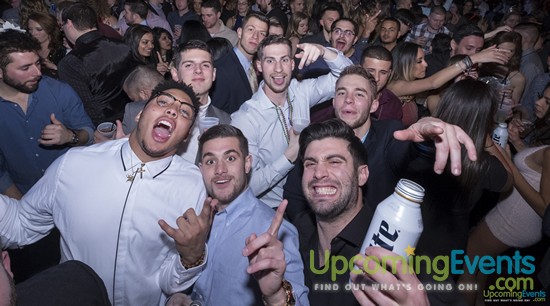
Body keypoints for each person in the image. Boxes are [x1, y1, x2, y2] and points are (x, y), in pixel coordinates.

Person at [0, 80, 212, 306]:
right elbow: (20, 223)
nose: (172, 110)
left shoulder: (193, 186)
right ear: (140, 115)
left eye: (185, 112)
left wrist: (190, 258)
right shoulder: (75, 164)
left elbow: (170, 284)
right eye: (163, 102)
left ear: (187, 136)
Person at [166, 124, 309, 305]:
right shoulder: (194, 220)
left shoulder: (275, 232)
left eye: (230, 158)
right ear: (201, 169)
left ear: (247, 163)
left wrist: (276, 295)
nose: (220, 170)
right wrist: (179, 296)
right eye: (211, 161)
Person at [294, 118, 429, 306]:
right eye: (310, 164)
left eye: (334, 162)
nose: (318, 173)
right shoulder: (296, 232)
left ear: (362, 175)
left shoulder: (393, 249)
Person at [0, 29, 94, 282]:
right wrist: (24, 208)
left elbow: (89, 132)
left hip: (73, 201)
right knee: (39, 278)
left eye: (38, 63)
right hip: (23, 206)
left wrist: (70, 137)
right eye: (25, 68)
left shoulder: (59, 91)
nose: (37, 72)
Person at [231, 35, 353, 208]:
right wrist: (288, 157)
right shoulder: (246, 118)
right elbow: (246, 186)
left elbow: (349, 77)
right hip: (273, 209)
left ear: (292, 64)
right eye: (270, 61)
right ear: (259, 65)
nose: (279, 69)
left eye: (284, 60)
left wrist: (324, 51)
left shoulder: (301, 91)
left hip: (310, 199)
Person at [387, 41, 510, 127]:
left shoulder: (412, 87)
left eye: (424, 59)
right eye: (419, 61)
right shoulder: (394, 86)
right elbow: (433, 83)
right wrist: (474, 58)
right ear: (405, 64)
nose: (426, 64)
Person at [57, 3, 137, 126]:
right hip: (132, 118)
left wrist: (102, 130)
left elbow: (84, 106)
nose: (62, 30)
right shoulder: (123, 46)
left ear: (69, 24)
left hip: (102, 128)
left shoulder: (70, 63)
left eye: (62, 26)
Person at [170, 40, 231, 163]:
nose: (198, 70)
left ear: (213, 74)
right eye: (189, 65)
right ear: (175, 74)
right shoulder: (146, 114)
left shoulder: (226, 121)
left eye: (205, 65)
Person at [210, 12, 269, 113]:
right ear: (240, 32)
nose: (255, 36)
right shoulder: (221, 70)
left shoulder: (259, 68)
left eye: (262, 33)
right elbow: (216, 115)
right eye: (251, 29)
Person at [361, 45, 402, 121]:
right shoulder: (343, 97)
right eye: (370, 71)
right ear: (359, 69)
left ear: (389, 74)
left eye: (383, 72)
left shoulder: (393, 104)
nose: (376, 78)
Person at [121, 65, 165, 134]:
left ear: (143, 94)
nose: (134, 102)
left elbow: (124, 137)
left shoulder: (132, 110)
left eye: (134, 99)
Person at [26, 12, 66, 78]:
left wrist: (56, 69)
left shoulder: (61, 52)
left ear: (49, 30)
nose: (33, 33)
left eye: (39, 30)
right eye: (30, 29)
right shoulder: (28, 48)